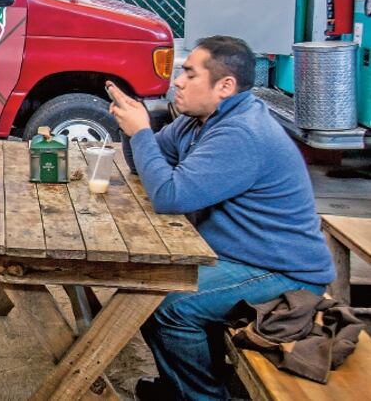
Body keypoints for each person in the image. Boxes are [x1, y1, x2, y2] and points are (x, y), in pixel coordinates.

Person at [108, 36, 334, 401]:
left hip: (282, 271)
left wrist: (142, 132)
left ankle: (204, 396)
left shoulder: (241, 132)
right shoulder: (198, 121)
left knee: (169, 306)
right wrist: (130, 128)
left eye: (190, 74)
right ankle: (180, 387)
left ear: (225, 86)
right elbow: (145, 165)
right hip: (237, 256)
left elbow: (170, 195)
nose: (178, 81)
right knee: (148, 290)